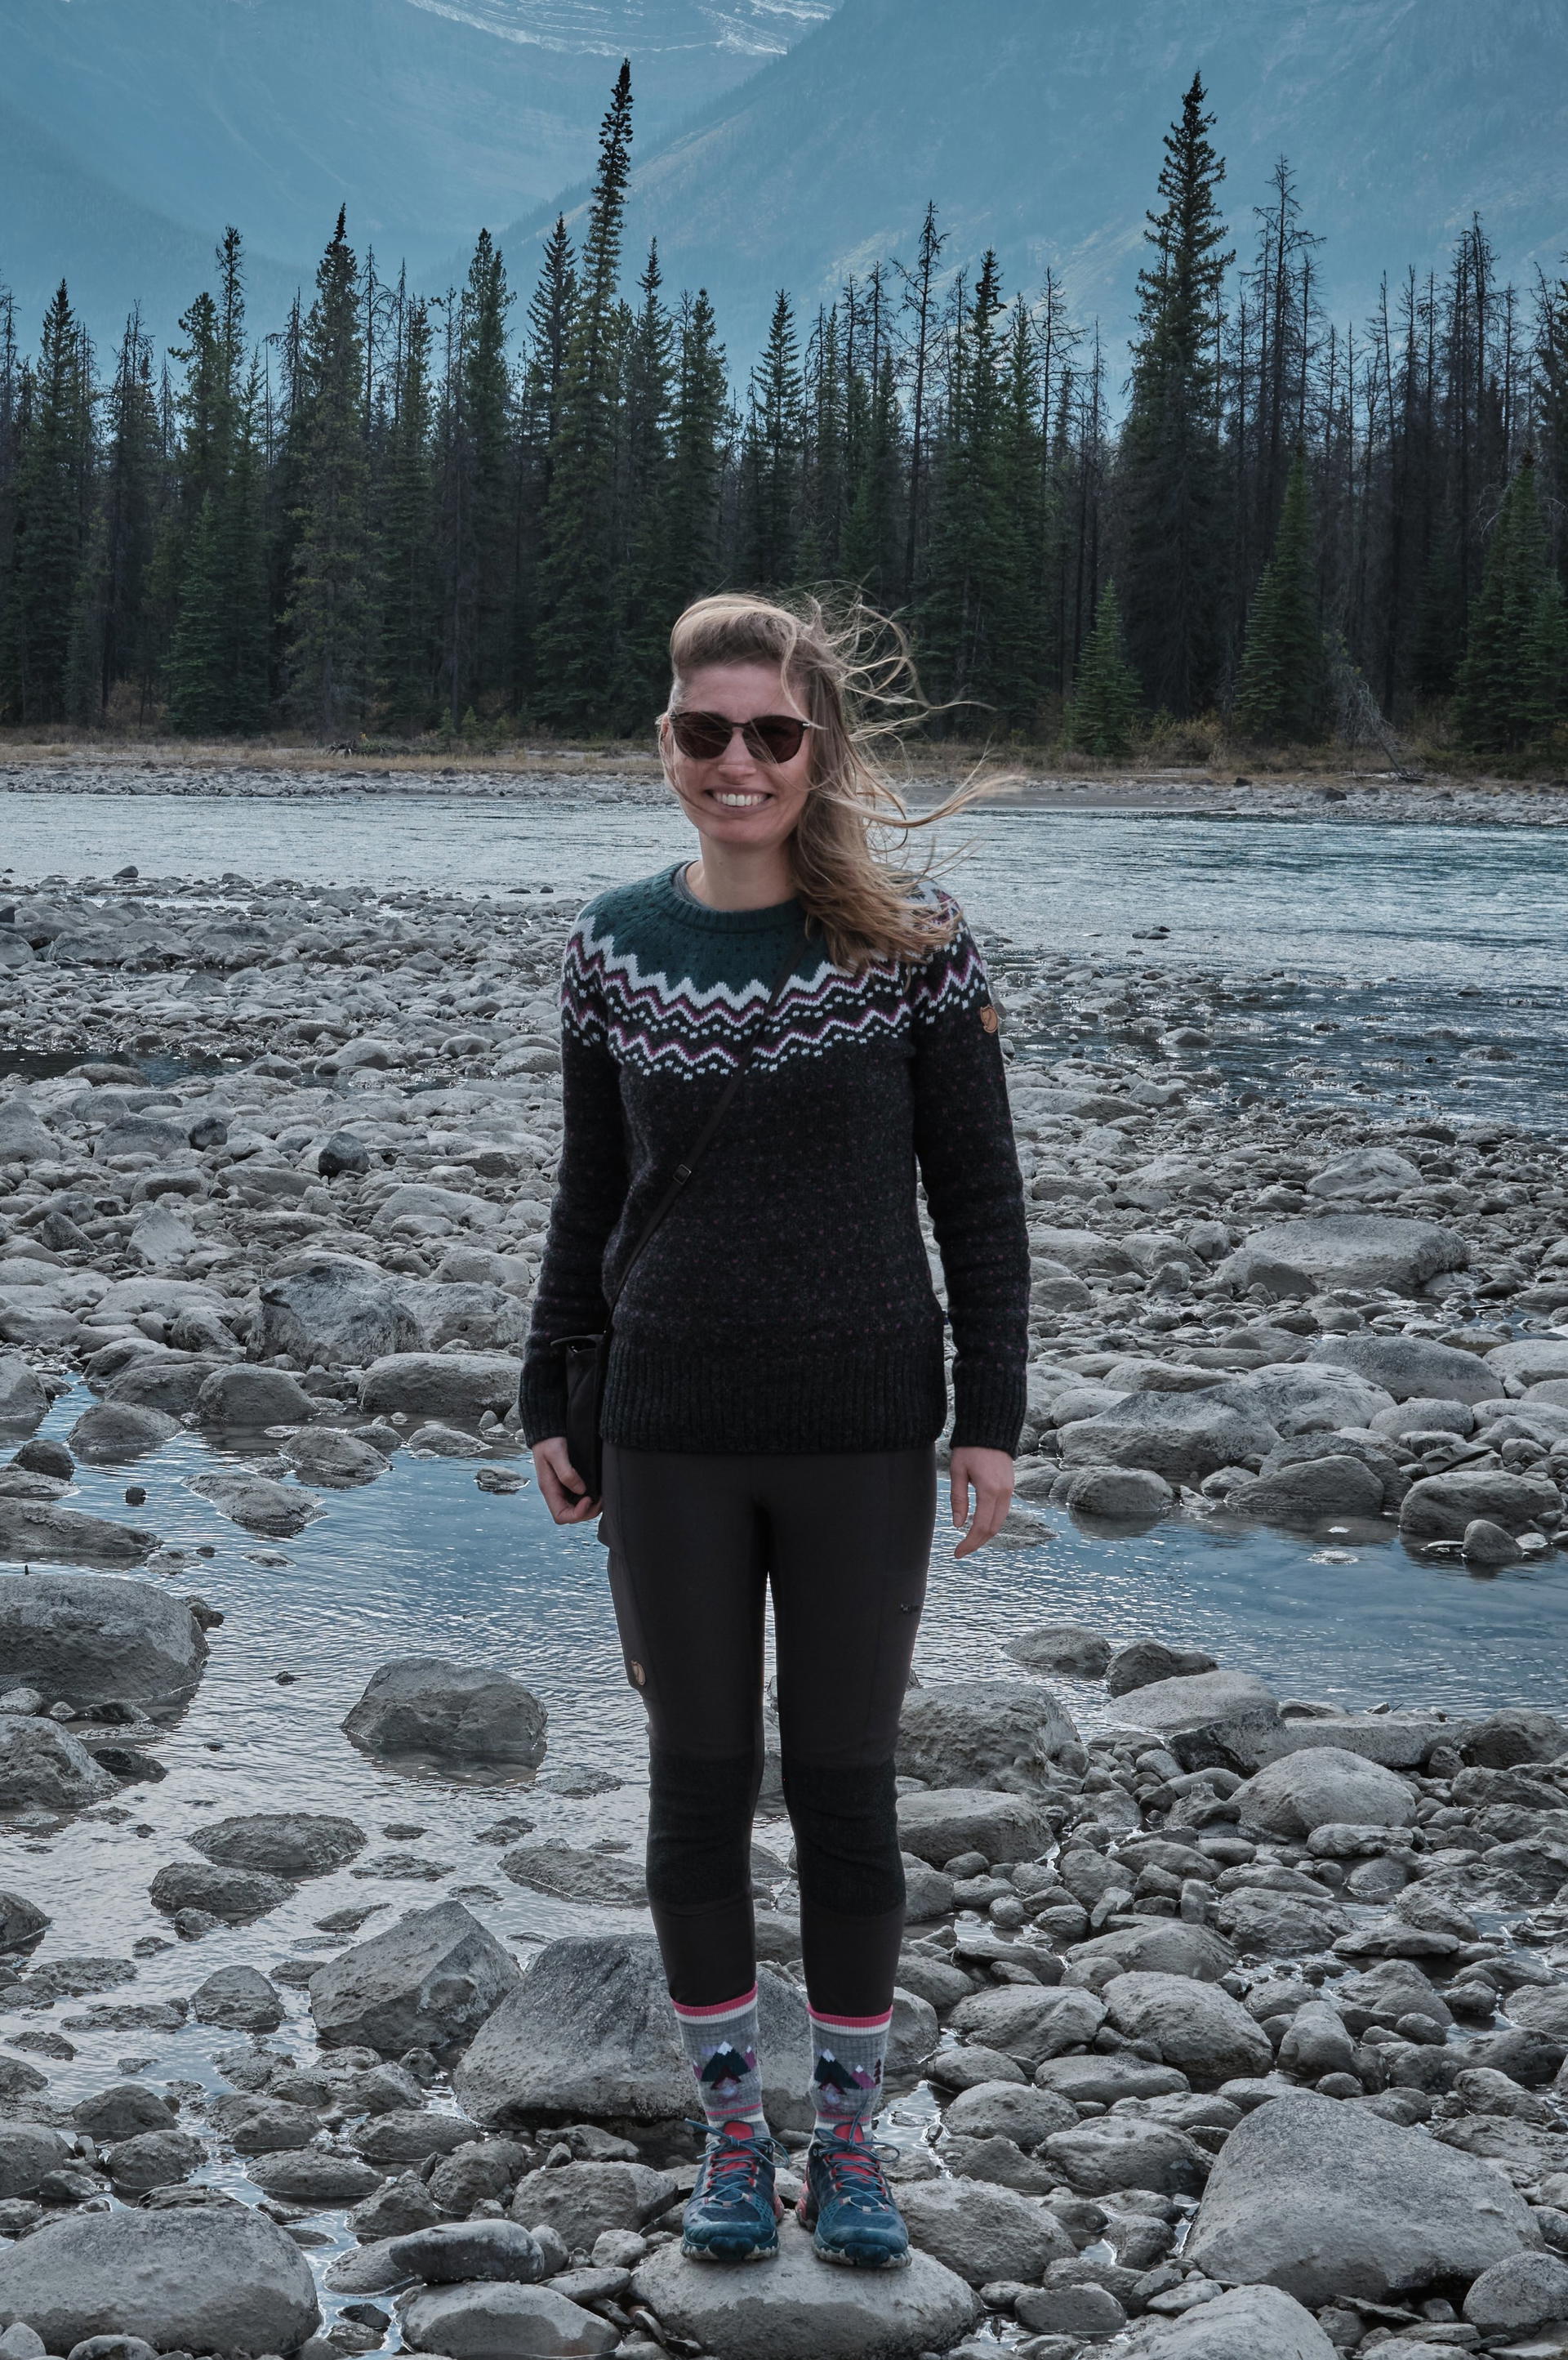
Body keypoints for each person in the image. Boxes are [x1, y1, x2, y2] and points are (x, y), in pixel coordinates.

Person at [521, 591, 1028, 2272]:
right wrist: (553, 1390)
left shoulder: (915, 945)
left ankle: (856, 2145)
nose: (736, 762)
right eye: (705, 732)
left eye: (771, 735)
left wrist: (992, 1416)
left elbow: (977, 1193)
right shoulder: (610, 941)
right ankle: (734, 2132)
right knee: (695, 1786)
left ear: (819, 753)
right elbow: (592, 1188)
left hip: (864, 1420)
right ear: (665, 744)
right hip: (665, 1424)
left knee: (847, 1790)